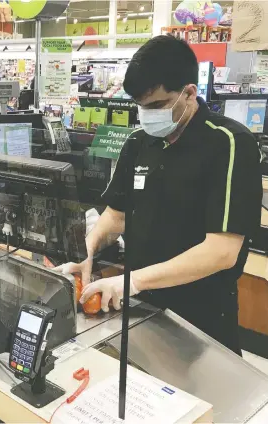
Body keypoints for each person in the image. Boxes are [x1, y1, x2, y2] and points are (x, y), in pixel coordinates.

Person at [54, 36, 263, 356]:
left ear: (189, 93)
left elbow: (222, 251)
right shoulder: (138, 143)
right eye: (140, 106)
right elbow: (116, 214)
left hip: (201, 317)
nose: (146, 115)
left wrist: (133, 281)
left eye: (155, 106)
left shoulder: (230, 144)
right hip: (141, 307)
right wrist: (87, 248)